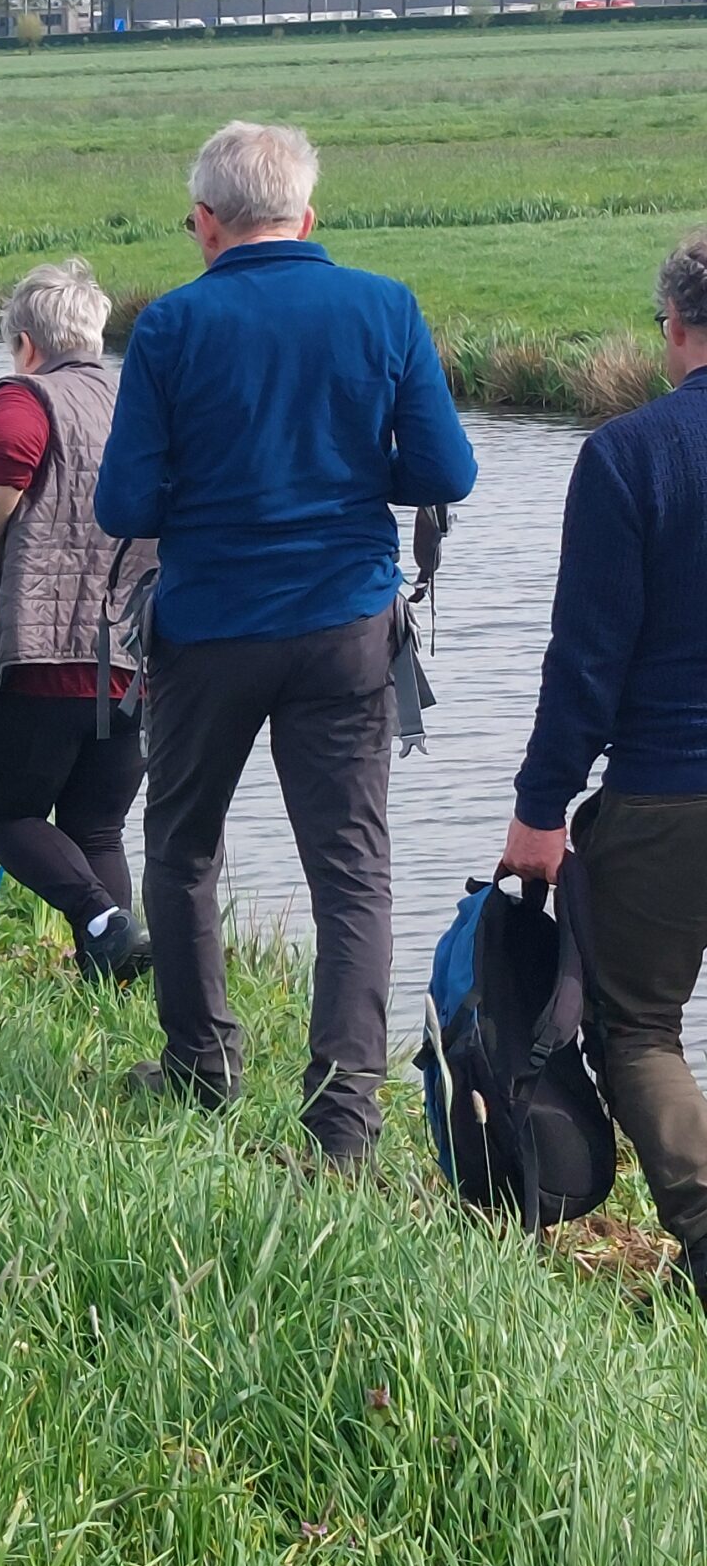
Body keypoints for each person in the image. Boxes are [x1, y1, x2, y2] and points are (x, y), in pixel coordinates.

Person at [95, 121, 478, 1166]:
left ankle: (201, 1063)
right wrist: (353, 473)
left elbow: (122, 499)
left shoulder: (172, 325)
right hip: (346, 625)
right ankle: (343, 1121)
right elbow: (447, 473)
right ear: (308, 217)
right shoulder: (383, 306)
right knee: (350, 869)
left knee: (179, 848)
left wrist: (216, 486)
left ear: (207, 224)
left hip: (211, 626)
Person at [500, 229, 707, 1315]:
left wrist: (540, 808)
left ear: (672, 329)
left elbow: (585, 658)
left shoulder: (631, 456)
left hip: (668, 788)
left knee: (635, 1028)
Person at [0, 260, 155, 979]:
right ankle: (111, 976)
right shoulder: (138, 395)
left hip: (48, 653)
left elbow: (10, 451)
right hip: (134, 654)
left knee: (2, 812)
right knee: (97, 823)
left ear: (28, 344)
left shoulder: (27, 394)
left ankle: (102, 920)